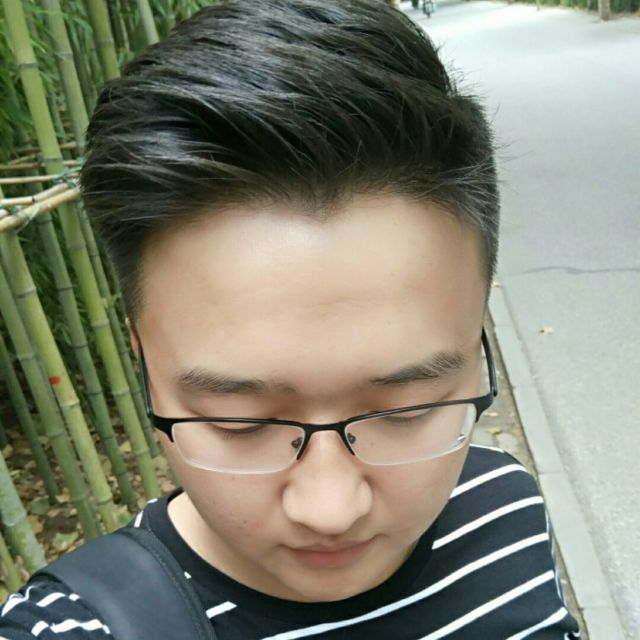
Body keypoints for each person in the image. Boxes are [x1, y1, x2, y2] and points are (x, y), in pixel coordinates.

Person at [0, 0, 580, 637]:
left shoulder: (506, 508)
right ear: (144, 364)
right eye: (240, 422)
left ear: (477, 346)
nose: (330, 510)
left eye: (407, 410)